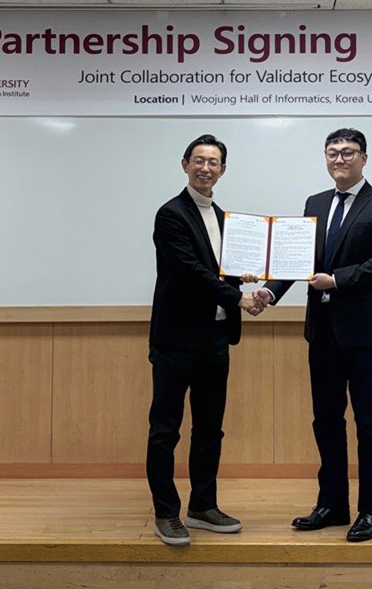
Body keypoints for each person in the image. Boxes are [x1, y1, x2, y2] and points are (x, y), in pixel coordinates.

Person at [255, 128, 372, 542]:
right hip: (321, 331)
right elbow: (297, 259)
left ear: (364, 158)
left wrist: (336, 280)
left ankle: (371, 510)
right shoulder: (315, 203)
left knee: (368, 422)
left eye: (348, 152)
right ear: (325, 157)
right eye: (333, 152)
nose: (340, 159)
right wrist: (269, 291)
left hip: (363, 333)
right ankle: (333, 504)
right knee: (326, 420)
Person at [147, 134, 261, 546]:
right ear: (185, 165)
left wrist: (248, 274)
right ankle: (166, 512)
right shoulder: (171, 214)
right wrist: (237, 297)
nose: (205, 168)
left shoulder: (226, 219)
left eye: (213, 162)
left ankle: (202, 505)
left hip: (215, 337)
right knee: (165, 430)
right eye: (198, 160)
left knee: (210, 429)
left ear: (222, 170)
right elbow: (190, 271)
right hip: (176, 340)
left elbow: (221, 271)